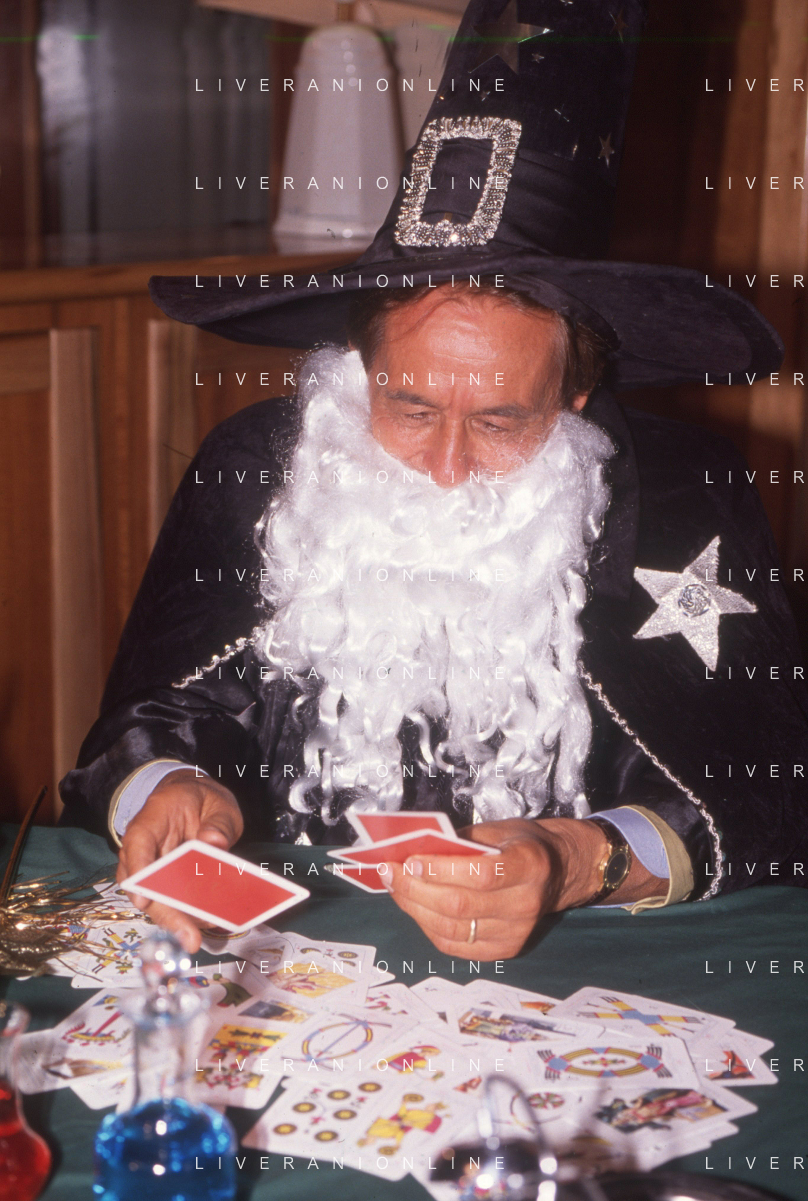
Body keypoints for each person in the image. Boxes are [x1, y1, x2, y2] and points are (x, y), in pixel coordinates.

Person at [59, 0, 808, 956]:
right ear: (357, 365)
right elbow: (147, 725)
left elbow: (765, 794)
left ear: (575, 395)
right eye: (410, 407)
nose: (448, 467)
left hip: (594, 960)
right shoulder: (256, 468)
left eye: (500, 420)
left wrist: (578, 859)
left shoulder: (686, 495)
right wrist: (167, 785)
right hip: (300, 958)